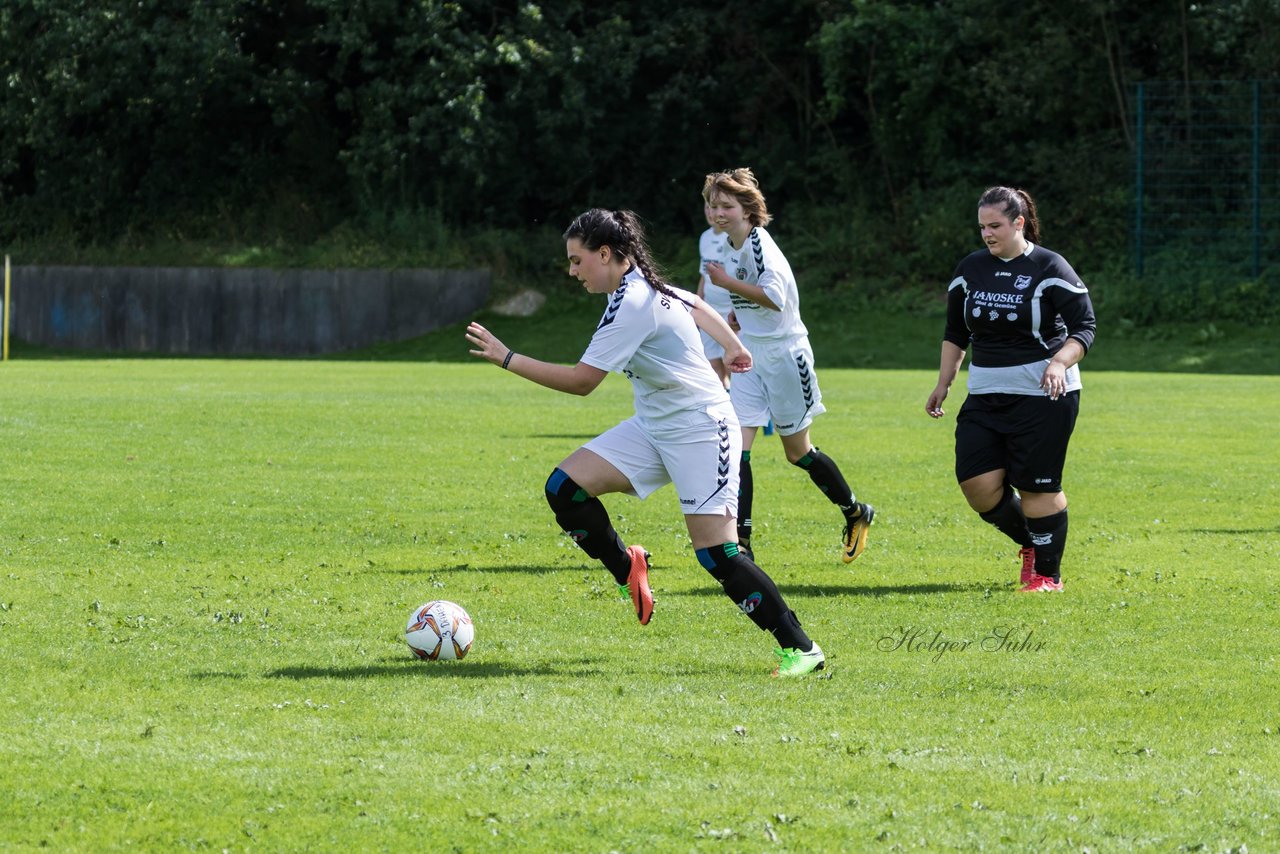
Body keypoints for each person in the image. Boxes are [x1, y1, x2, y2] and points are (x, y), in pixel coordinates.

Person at [465, 208, 826, 676]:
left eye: (577, 261)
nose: (572, 272)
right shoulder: (641, 287)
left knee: (718, 553)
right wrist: (732, 346)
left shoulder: (631, 303)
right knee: (565, 488)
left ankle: (800, 648)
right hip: (655, 426)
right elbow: (694, 305)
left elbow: (582, 382)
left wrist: (507, 357)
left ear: (606, 254)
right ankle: (627, 567)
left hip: (701, 429)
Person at [925, 186, 1096, 592]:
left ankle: (1047, 575)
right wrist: (943, 383)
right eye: (982, 226)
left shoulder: (1049, 266)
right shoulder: (970, 269)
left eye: (996, 225)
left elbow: (1084, 328)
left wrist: (1059, 362)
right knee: (977, 485)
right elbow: (956, 331)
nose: (987, 234)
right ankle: (1032, 543)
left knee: (1037, 486)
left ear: (1019, 223)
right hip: (986, 394)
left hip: (1044, 394)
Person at [702, 168, 875, 564]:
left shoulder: (760, 242)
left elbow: (776, 298)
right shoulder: (730, 244)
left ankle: (855, 511)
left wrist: (728, 285)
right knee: (736, 450)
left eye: (727, 205)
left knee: (797, 452)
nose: (718, 212)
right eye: (713, 205)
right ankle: (740, 544)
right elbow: (752, 297)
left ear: (748, 209)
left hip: (784, 356)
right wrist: (736, 317)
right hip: (750, 356)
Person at [695, 201, 733, 389]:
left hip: (731, 314)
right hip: (710, 311)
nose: (711, 212)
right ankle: (728, 412)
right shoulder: (705, 237)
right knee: (713, 366)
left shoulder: (732, 238)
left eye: (714, 207)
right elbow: (705, 275)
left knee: (733, 364)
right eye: (707, 207)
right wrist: (696, 304)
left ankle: (745, 412)